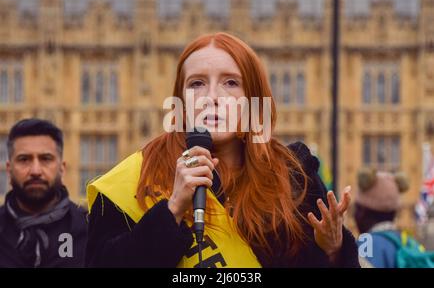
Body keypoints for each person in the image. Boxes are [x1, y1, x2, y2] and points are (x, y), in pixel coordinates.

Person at [85, 32, 360, 268]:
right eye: (197, 84)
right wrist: (172, 211)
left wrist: (333, 250)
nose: (212, 97)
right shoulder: (137, 177)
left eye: (231, 83)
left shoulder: (295, 177)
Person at [0, 118, 87, 267]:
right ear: (9, 169)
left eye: (45, 159)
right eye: (24, 159)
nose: (35, 171)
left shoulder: (89, 231)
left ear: (62, 168)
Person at [354, 168, 410, 267]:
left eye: (356, 208)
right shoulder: (408, 242)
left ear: (363, 211)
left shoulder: (367, 243)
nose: (354, 215)